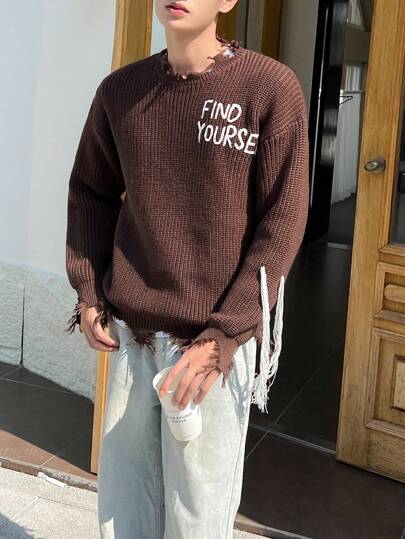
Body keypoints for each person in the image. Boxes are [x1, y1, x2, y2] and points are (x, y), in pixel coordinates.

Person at [65, 0, 309, 537]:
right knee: (125, 507)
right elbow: (91, 193)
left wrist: (224, 334)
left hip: (212, 350)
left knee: (197, 517)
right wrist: (89, 292)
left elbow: (283, 221)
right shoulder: (121, 92)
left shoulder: (269, 88)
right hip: (133, 338)